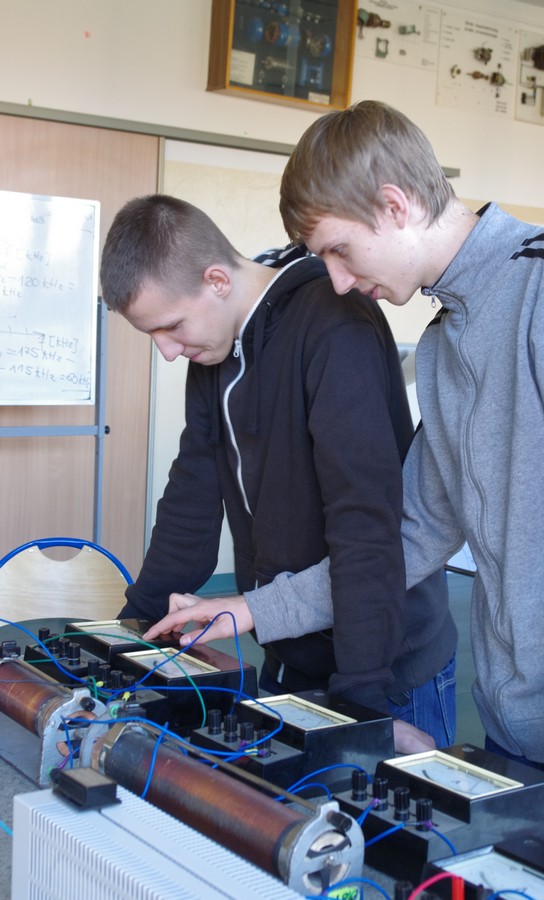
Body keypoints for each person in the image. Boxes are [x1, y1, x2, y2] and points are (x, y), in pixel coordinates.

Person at [147, 100, 544, 863]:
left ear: (395, 204)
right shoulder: (446, 343)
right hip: (520, 734)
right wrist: (249, 609)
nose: (337, 279)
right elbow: (406, 538)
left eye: (339, 250)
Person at [100, 193, 458, 753]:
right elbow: (191, 498)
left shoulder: (335, 326)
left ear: (217, 280)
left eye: (170, 327)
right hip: (287, 652)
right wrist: (129, 635)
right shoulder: (215, 347)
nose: (167, 352)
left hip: (383, 671)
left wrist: (362, 704)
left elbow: (366, 526)